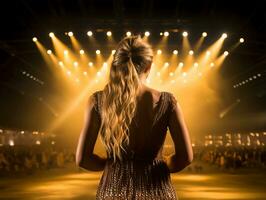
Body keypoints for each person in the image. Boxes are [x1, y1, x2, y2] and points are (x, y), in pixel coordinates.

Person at [76, 36, 193, 199]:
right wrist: (161, 163)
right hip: (156, 191)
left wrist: (113, 164)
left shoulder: (98, 101)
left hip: (114, 190)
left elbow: (82, 159)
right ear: (149, 66)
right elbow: (185, 157)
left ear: (116, 64)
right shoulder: (167, 102)